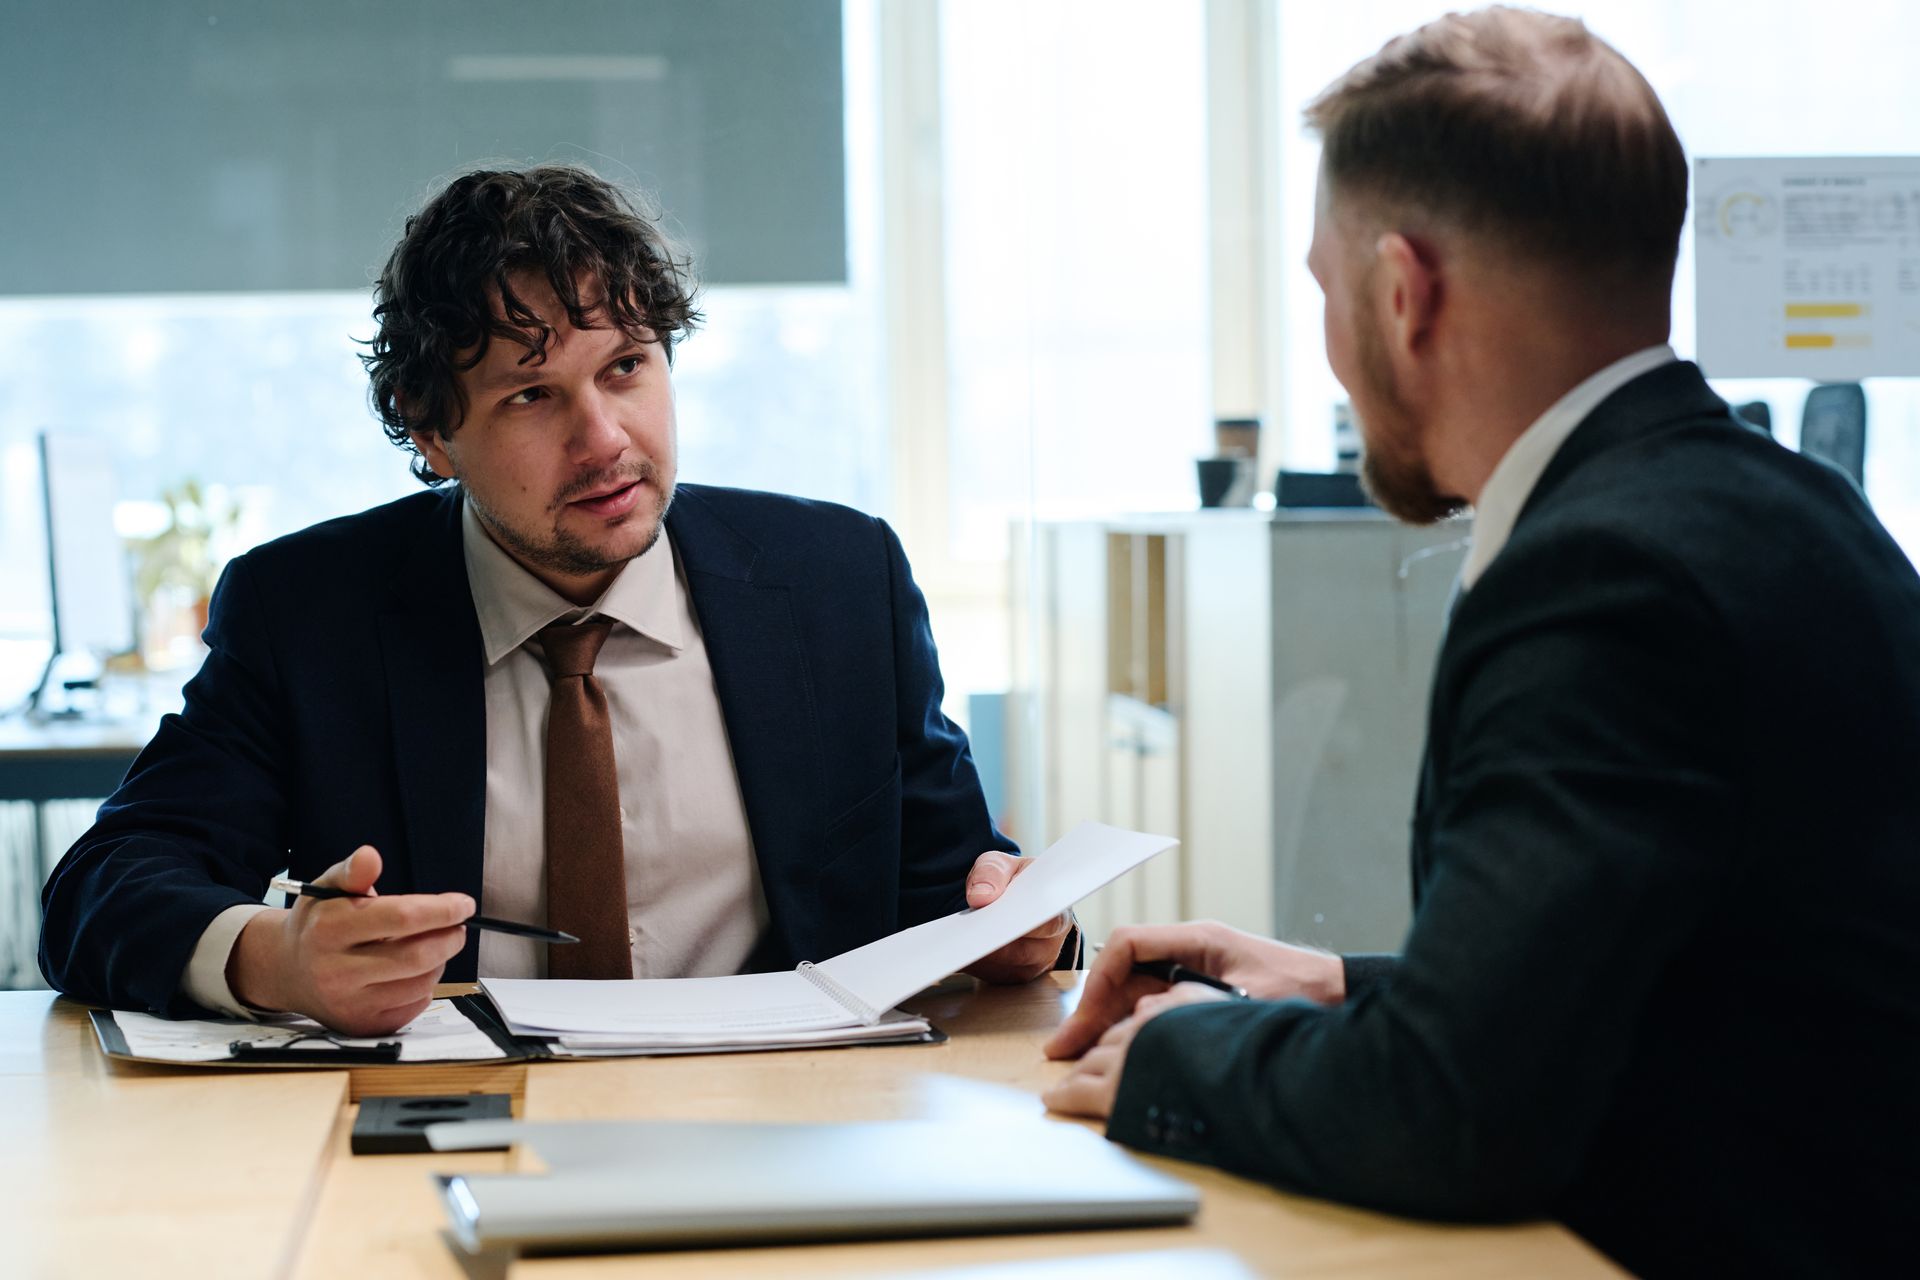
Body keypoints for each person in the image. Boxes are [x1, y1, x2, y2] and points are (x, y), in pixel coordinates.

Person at [1041, 8, 1920, 1276]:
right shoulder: (1788, 504)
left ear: (1404, 295)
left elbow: (1451, 1112)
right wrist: (1354, 986)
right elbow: (1711, 980)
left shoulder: (1598, 577)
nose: (1333, 351)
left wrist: (1179, 1052)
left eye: (1326, 292)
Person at [40, 165, 1072, 1035]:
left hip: (794, 1123)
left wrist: (1020, 926)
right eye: (532, 395)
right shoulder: (309, 610)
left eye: (626, 367)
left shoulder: (839, 580)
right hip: (457, 1135)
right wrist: (277, 960)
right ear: (432, 430)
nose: (605, 439)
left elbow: (957, 891)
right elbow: (101, 887)